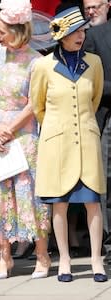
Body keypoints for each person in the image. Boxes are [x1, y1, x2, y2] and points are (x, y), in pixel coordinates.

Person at [30, 6, 108, 282]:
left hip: (86, 141)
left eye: (83, 31)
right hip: (57, 143)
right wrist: (57, 127)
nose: (81, 36)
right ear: (61, 36)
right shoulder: (43, 66)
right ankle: (63, 259)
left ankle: (97, 260)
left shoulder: (95, 63)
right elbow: (37, 106)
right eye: (75, 31)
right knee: (59, 204)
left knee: (92, 203)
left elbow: (94, 99)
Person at [0, 0, 51, 280]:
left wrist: (11, 127)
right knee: (0, 195)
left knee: (29, 196)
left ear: (18, 31)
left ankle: (42, 255)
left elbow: (35, 102)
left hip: (24, 134)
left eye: (1, 30)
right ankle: (4, 258)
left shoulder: (36, 60)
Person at [84, 1, 111, 266]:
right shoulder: (91, 37)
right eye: (87, 7)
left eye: (95, 5)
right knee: (106, 180)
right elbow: (89, 82)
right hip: (105, 116)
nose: (91, 11)